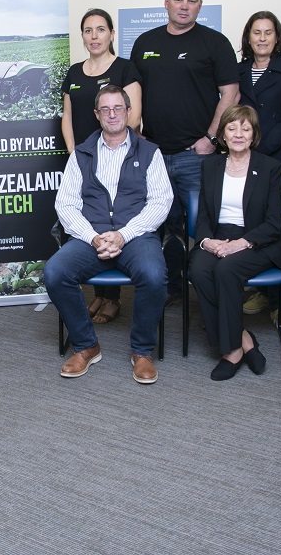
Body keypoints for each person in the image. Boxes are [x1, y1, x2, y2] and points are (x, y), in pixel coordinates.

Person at [44, 85, 173, 385]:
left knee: (154, 275)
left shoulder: (150, 152)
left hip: (136, 236)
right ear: (96, 114)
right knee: (54, 272)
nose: (112, 114)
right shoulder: (81, 154)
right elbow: (65, 204)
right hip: (91, 237)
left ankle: (142, 351)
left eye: (118, 108)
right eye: (105, 109)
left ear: (129, 111)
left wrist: (124, 235)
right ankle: (86, 345)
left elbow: (160, 201)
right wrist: (92, 237)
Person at [131, 0, 239, 303]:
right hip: (154, 154)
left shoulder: (214, 43)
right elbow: (132, 94)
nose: (184, 6)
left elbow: (231, 94)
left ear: (200, 6)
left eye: (192, 1)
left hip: (198, 155)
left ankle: (210, 296)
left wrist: (211, 138)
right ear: (166, 2)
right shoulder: (144, 43)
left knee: (205, 225)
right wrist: (137, 137)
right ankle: (171, 287)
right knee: (163, 225)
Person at [188, 105, 281, 381]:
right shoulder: (210, 166)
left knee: (226, 269)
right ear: (223, 134)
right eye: (232, 128)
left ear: (254, 134)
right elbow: (204, 215)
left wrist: (240, 244)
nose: (238, 134)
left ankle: (231, 352)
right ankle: (244, 338)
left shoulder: (270, 168)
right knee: (199, 269)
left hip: (258, 240)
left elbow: (273, 224)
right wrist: (207, 241)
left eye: (246, 128)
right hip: (219, 235)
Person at [60, 8, 143, 325]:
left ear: (111, 34)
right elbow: (67, 117)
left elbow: (132, 118)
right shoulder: (74, 72)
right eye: (88, 30)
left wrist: (111, 155)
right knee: (88, 223)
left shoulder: (125, 68)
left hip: (116, 161)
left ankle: (112, 298)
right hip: (83, 163)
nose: (94, 36)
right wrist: (75, 154)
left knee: (111, 221)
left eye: (100, 29)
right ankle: (99, 294)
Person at [235, 10, 281, 319]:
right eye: (257, 32)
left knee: (276, 231)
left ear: (278, 38)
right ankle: (260, 292)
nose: (262, 38)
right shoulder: (238, 71)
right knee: (249, 228)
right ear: (248, 38)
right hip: (241, 163)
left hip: (277, 161)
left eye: (268, 32)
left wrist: (259, 150)